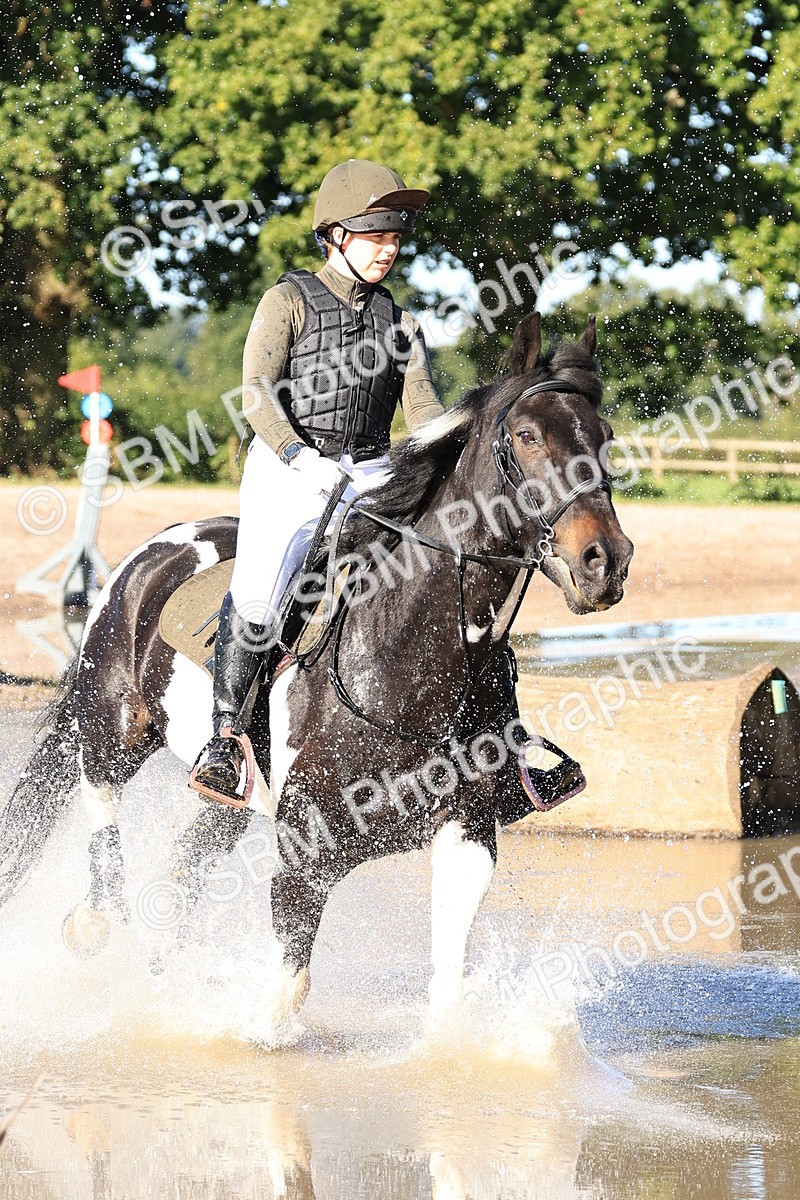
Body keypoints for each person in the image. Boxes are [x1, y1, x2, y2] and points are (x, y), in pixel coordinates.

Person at [192, 159, 446, 799]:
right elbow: (255, 395)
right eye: (375, 235)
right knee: (261, 592)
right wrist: (297, 454)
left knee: (449, 571)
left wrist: (458, 439)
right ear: (335, 234)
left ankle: (499, 732)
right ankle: (224, 738)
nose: (389, 248)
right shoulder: (287, 302)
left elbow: (421, 412)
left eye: (394, 236)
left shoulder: (402, 324)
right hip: (291, 469)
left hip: (372, 473)